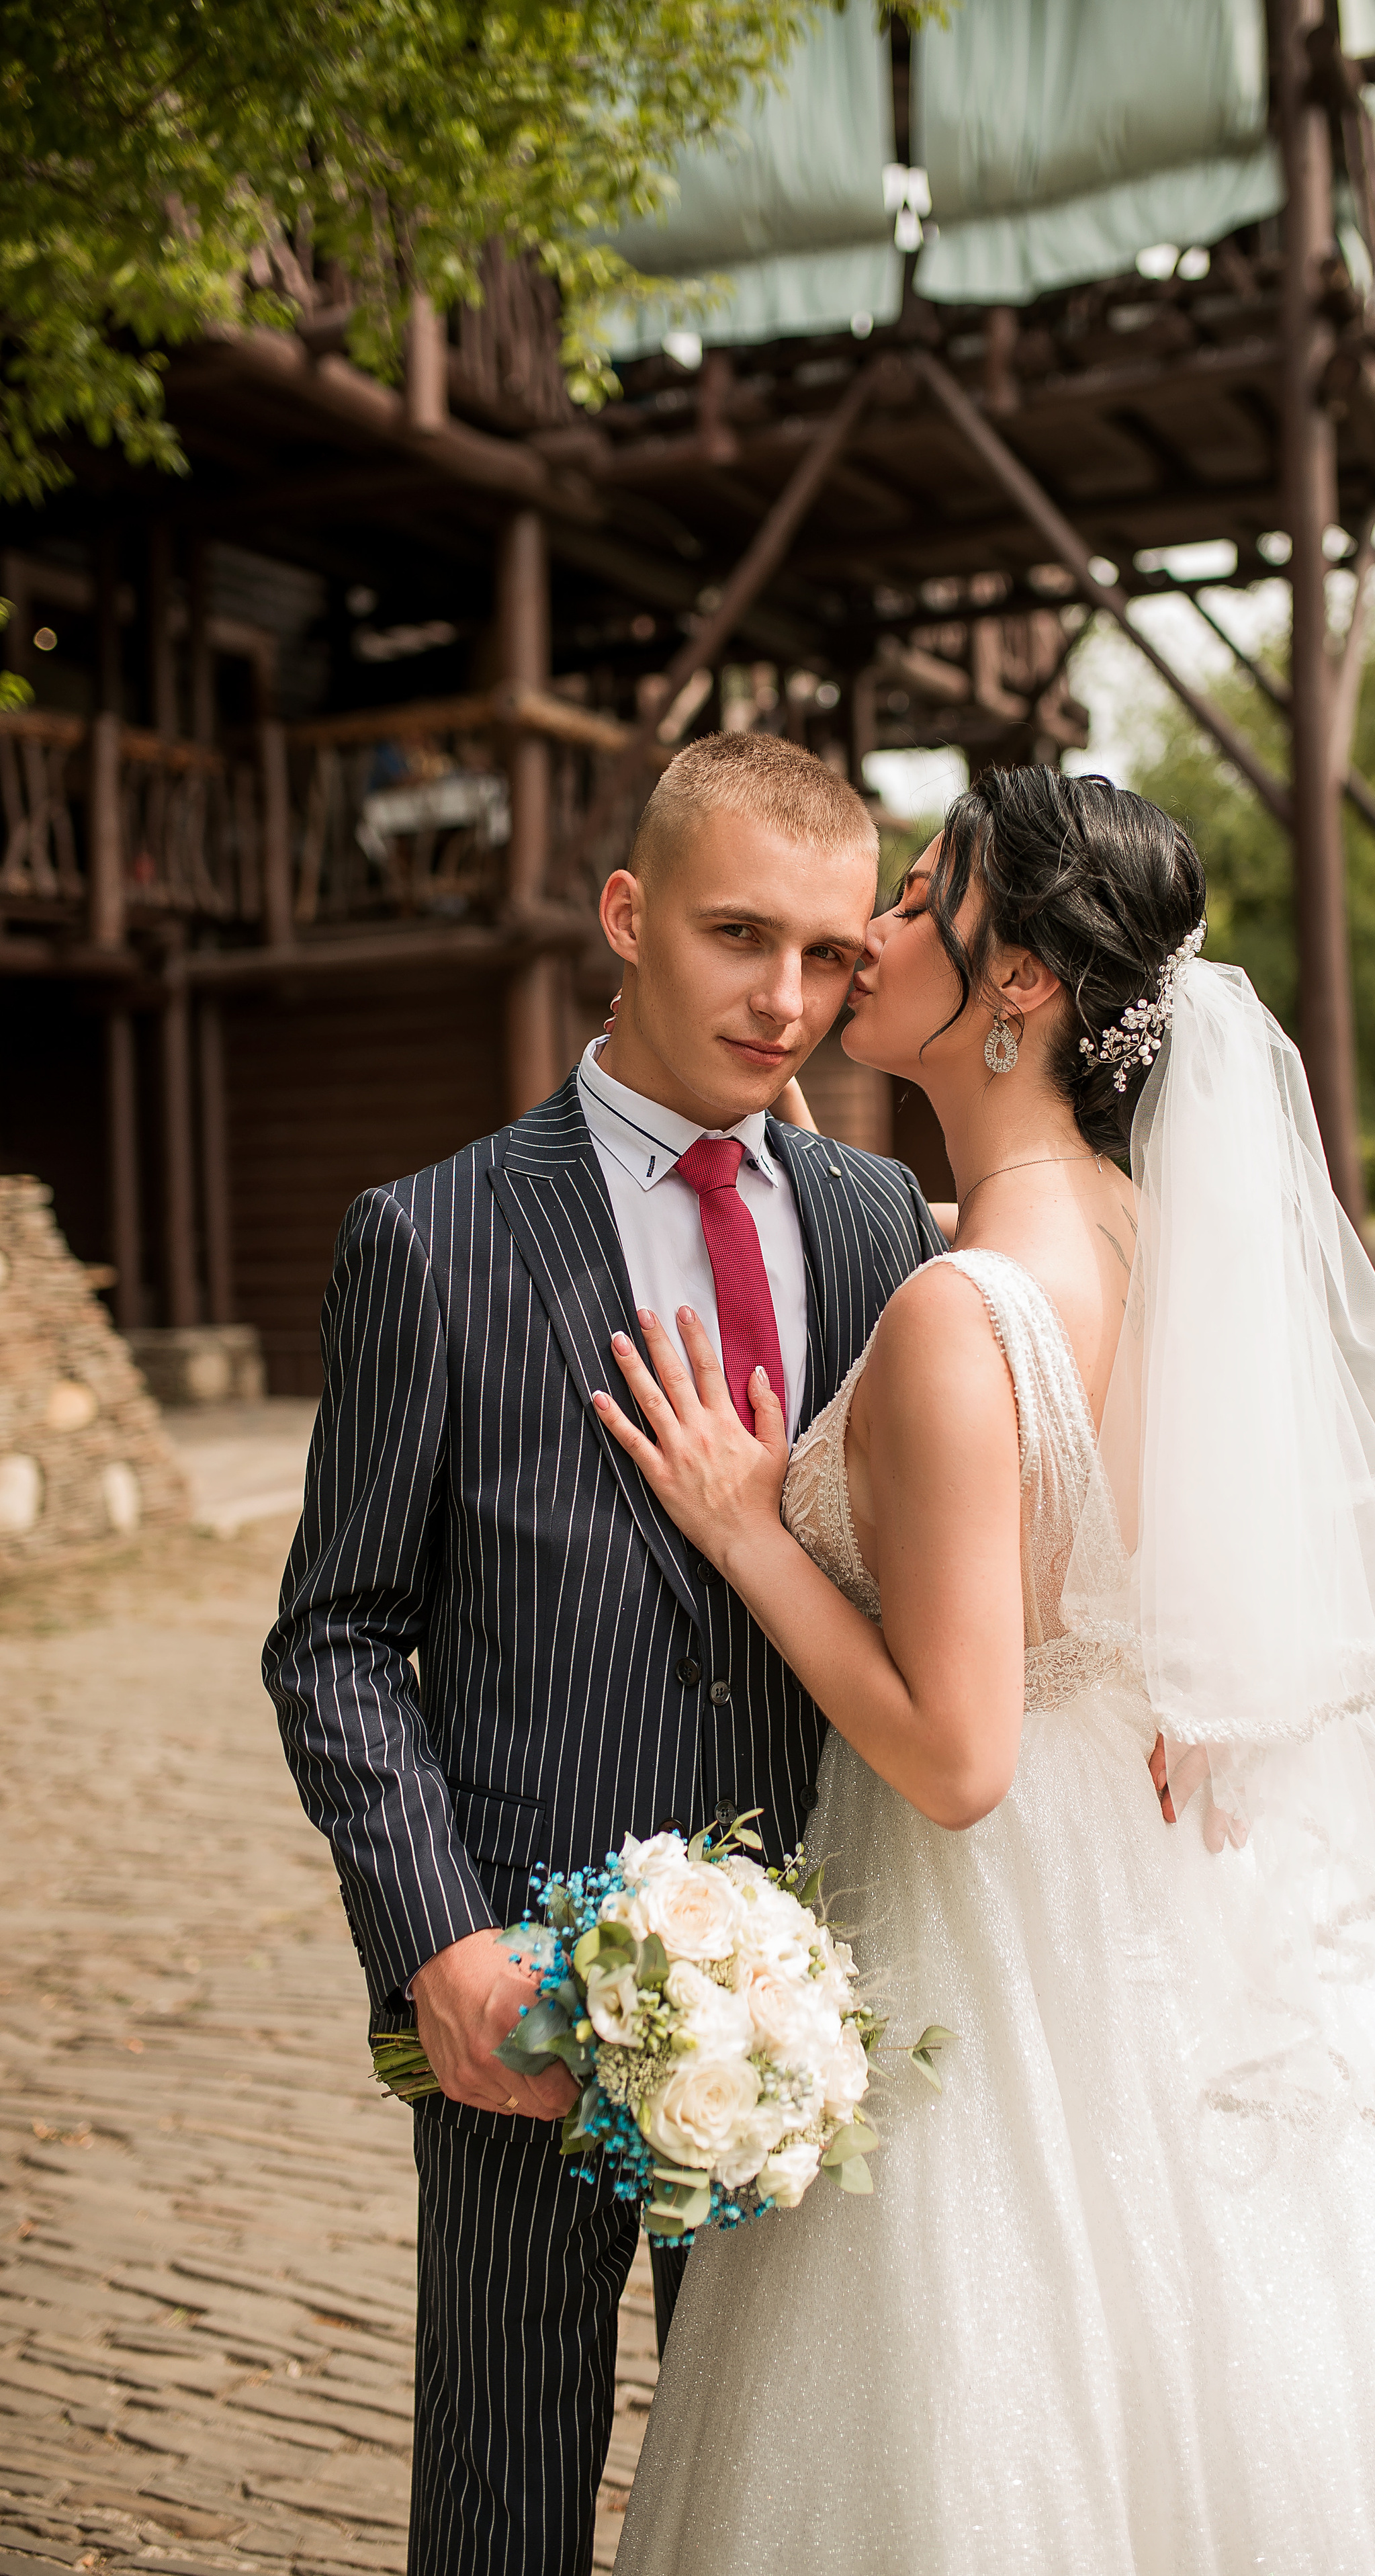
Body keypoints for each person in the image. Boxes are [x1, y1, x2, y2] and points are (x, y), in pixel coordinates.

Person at [598, 766, 1375, 2575]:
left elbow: (956, 1751)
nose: (859, 938)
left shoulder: (960, 1315)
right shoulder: (1135, 1232)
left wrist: (747, 1523)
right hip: (1168, 1889)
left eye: (908, 897)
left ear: (1020, 980)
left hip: (996, 1905)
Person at [262, 730, 946, 2576]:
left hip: (828, 1991)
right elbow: (330, 1636)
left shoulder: (880, 1224)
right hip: (521, 1988)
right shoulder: (430, 1236)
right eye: (740, 936)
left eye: (827, 953)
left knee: (788, 2489)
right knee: (504, 2481)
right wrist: (437, 1943)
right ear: (627, 914)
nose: (786, 998)